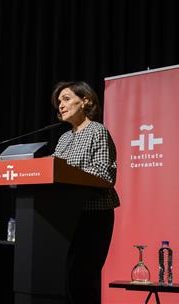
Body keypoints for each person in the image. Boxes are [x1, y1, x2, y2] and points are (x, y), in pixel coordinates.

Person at [51, 81, 120, 304]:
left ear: (86, 101)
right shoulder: (63, 138)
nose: (60, 105)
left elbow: (104, 175)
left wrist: (68, 174)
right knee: (66, 281)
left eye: (67, 98)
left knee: (82, 280)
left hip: (93, 216)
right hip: (66, 218)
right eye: (59, 101)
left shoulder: (97, 131)